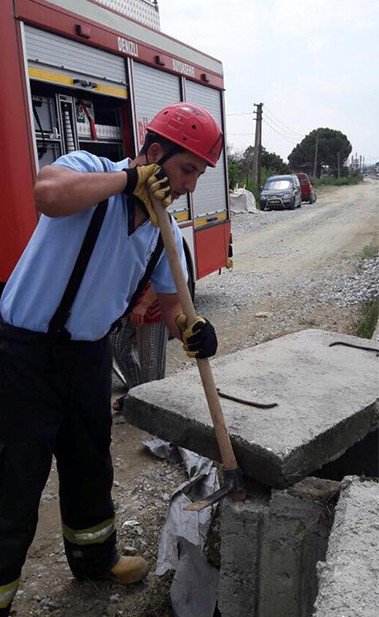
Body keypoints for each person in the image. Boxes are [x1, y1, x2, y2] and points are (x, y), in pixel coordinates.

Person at [0, 102, 223, 615]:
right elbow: (47, 194)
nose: (190, 185)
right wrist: (127, 181)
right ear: (154, 152)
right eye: (187, 169)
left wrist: (195, 332)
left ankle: (95, 560)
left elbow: (173, 306)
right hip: (24, 356)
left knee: (89, 467)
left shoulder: (159, 229)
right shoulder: (90, 172)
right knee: (14, 480)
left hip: (88, 358)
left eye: (199, 174)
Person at [111, 282, 169, 412]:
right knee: (118, 344)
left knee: (151, 363)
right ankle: (138, 395)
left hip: (154, 300)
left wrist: (144, 304)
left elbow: (167, 275)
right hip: (129, 299)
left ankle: (152, 406)